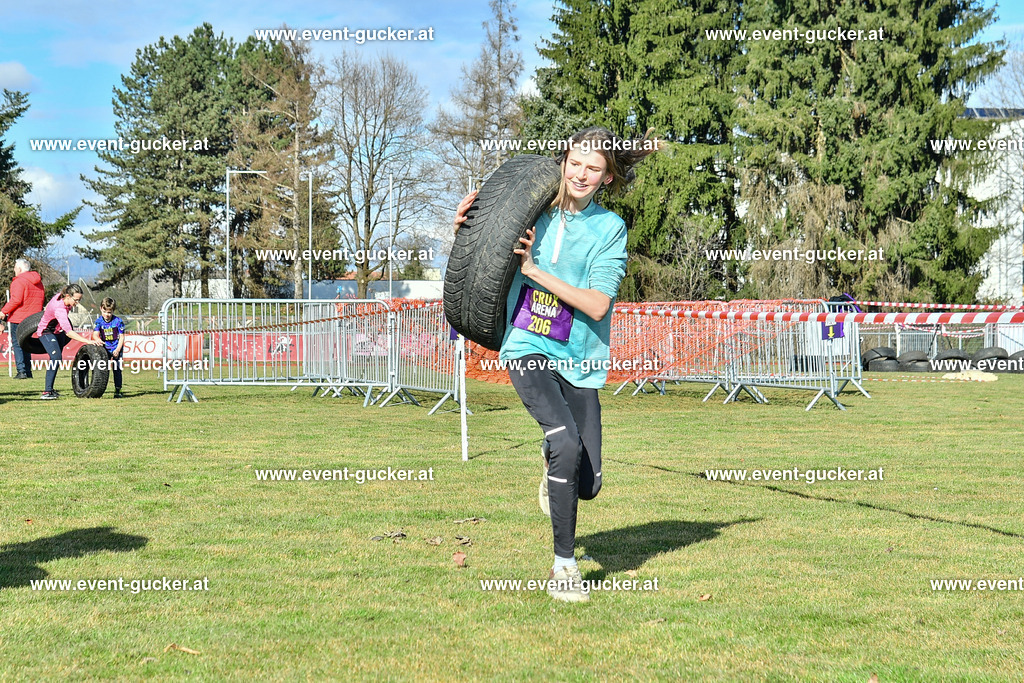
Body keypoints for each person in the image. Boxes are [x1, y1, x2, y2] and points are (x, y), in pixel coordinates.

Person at [454, 127, 661, 602]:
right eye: (575, 163)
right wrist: (469, 228)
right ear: (562, 161)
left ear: (608, 177)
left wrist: (535, 272)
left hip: (580, 359)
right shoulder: (531, 213)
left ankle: (554, 466)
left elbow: (595, 305)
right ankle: (564, 568)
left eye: (594, 167)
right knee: (565, 440)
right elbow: (483, 257)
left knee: (588, 484)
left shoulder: (609, 229)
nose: (581, 173)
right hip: (527, 344)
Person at [34, 284, 103, 399]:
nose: (77, 303)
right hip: (46, 331)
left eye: (79, 300)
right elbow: (69, 332)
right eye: (76, 300)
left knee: (55, 359)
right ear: (67, 296)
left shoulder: (64, 300)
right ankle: (46, 392)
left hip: (57, 331)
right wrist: (88, 341)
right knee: (56, 358)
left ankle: (50, 390)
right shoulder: (59, 308)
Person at [0, 258, 46, 379]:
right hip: (33, 319)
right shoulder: (38, 282)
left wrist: (3, 311)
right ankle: (28, 371)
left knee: (17, 344)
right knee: (26, 344)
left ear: (19, 269)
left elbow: (16, 300)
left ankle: (22, 371)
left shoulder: (19, 281)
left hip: (18, 317)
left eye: (15, 267)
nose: (14, 270)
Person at [93, 297, 126, 398]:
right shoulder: (99, 321)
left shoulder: (118, 321)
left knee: (116, 369)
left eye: (109, 312)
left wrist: (117, 350)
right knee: (102, 369)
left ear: (112, 311)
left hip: (116, 348)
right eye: (105, 312)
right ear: (101, 309)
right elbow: (95, 334)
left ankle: (118, 389)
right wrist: (97, 339)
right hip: (104, 349)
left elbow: (121, 337)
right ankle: (100, 388)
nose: (107, 315)